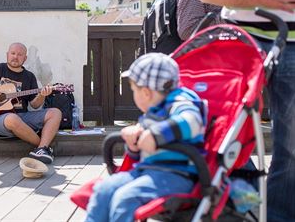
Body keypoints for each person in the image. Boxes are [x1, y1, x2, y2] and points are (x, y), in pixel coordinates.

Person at [198, 0, 295, 220]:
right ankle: (240, 202)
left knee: (291, 144)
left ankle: (278, 215)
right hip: (242, 40)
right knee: (226, 131)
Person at [85, 53, 207, 222]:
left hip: (177, 175)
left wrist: (156, 135)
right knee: (103, 190)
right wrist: (134, 145)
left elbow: (192, 121)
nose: (133, 95)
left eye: (134, 90)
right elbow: (144, 150)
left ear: (146, 92)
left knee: (125, 198)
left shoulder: (181, 102)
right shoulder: (153, 111)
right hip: (147, 171)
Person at [0, 42, 61, 164]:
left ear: (25, 58)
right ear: (7, 55)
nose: (15, 57)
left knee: (56, 113)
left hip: (23, 117)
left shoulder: (29, 76)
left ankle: (41, 151)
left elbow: (35, 105)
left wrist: (42, 95)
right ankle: (43, 147)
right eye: (13, 53)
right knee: (12, 119)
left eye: (20, 54)